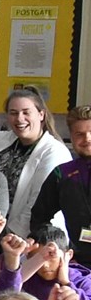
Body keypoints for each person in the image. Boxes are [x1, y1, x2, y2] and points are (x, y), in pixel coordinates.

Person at [0, 86, 69, 239]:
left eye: (26, 112)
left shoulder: (54, 152)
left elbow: (37, 203)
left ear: (41, 115)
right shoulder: (5, 139)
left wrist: (9, 236)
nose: (19, 118)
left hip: (27, 236)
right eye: (13, 113)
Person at [28, 103, 91, 269]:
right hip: (77, 265)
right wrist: (59, 249)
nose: (87, 139)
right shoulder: (62, 174)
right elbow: (39, 218)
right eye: (80, 134)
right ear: (71, 136)